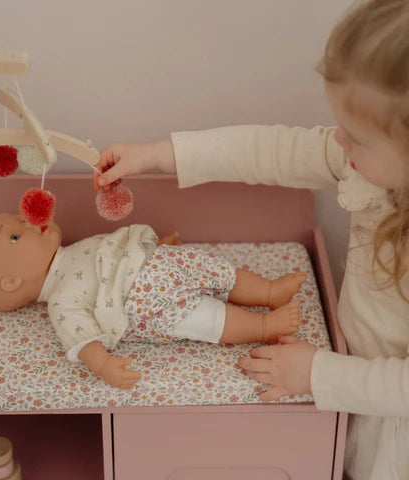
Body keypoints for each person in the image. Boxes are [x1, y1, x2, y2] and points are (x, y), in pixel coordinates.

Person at [92, 1, 409, 478]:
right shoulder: (370, 165)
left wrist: (316, 373)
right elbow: (271, 150)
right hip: (362, 391)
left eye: (356, 137)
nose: (338, 141)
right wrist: (158, 155)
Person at [0, 213, 305, 390]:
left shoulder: (72, 251)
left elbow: (114, 253)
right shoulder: (61, 302)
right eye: (16, 235)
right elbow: (82, 338)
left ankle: (269, 292)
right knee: (204, 317)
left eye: (20, 220)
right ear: (12, 283)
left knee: (214, 269)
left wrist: (152, 249)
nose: (30, 222)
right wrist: (104, 366)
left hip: (160, 262)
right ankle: (264, 326)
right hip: (145, 303)